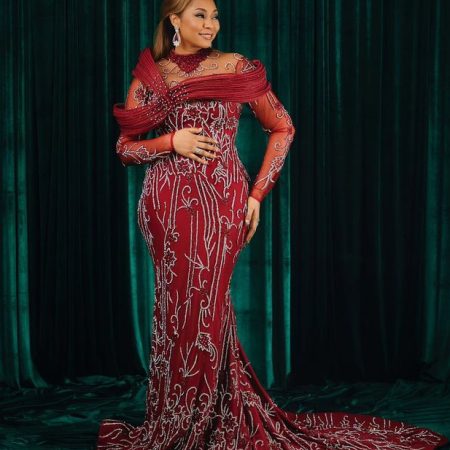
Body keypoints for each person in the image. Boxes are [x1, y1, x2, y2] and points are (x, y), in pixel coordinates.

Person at [96, 0, 449, 448]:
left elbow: (283, 127)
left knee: (206, 307)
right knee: (174, 310)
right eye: (200, 14)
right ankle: (178, 421)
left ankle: (203, 420)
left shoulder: (235, 66)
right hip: (164, 205)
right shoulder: (152, 74)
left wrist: (256, 195)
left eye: (215, 15)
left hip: (221, 203)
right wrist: (171, 141)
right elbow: (125, 149)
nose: (212, 24)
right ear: (174, 20)